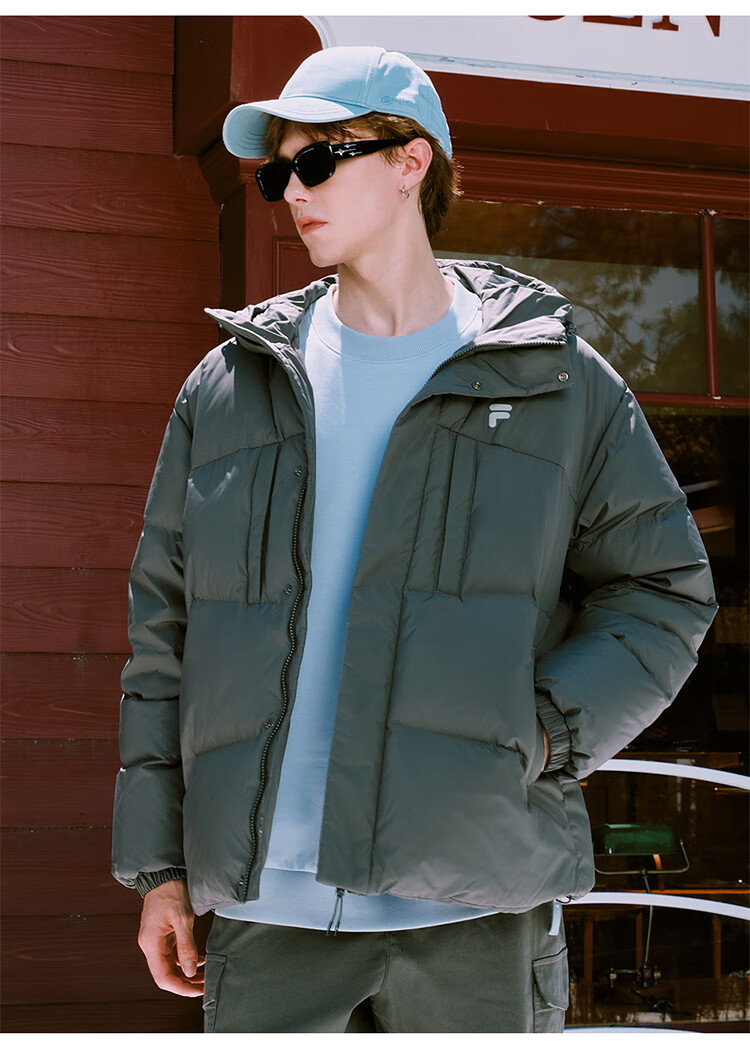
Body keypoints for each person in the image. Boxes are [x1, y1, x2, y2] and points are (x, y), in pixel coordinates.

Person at [112, 46, 717, 1032]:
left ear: (411, 161)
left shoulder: (557, 382)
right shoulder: (226, 389)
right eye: (277, 173)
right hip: (269, 912)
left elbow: (664, 591)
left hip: (477, 906)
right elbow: (163, 638)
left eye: (319, 161)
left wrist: (545, 732)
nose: (291, 192)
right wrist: (157, 868)